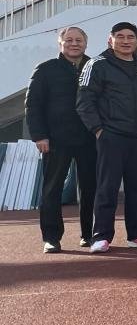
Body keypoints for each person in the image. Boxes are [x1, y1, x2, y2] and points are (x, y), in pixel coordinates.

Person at [76, 22, 137, 253]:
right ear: (110, 40)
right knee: (107, 188)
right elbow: (84, 102)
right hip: (111, 136)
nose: (125, 41)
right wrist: (99, 130)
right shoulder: (97, 64)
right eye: (120, 36)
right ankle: (101, 236)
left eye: (130, 37)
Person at [27, 26, 95, 252]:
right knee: (52, 189)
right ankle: (51, 237)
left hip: (90, 138)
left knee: (91, 188)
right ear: (60, 43)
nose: (74, 44)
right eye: (69, 40)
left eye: (79, 40)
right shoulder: (46, 69)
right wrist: (40, 136)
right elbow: (33, 105)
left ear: (85, 43)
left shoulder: (95, 66)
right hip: (56, 139)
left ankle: (89, 235)